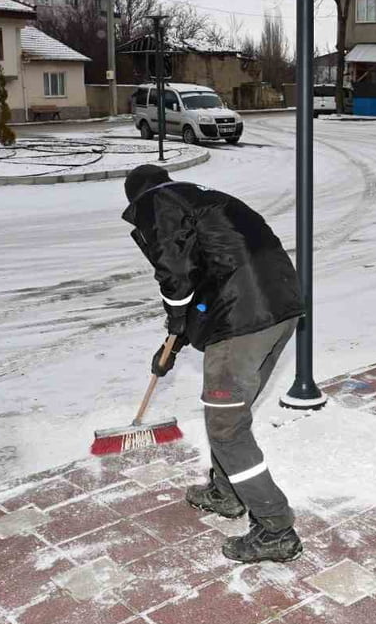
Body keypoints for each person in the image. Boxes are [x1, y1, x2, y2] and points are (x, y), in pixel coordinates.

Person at [122, 163, 305, 563]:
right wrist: (179, 335)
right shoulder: (200, 200)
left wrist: (175, 319)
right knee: (231, 418)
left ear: (138, 197)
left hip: (242, 321)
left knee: (226, 429)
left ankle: (275, 528)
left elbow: (175, 273)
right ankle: (226, 492)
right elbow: (211, 269)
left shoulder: (158, 202)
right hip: (282, 307)